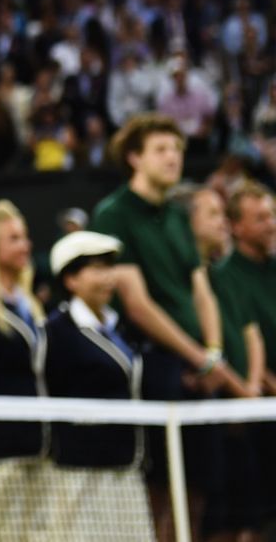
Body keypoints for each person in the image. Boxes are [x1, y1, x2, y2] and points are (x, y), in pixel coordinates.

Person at [92, 115, 247, 537]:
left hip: (200, 370)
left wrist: (212, 354)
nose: (173, 157)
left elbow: (201, 292)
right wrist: (200, 359)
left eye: (177, 149)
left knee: (198, 489)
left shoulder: (179, 217)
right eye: (161, 149)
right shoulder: (112, 214)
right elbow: (138, 306)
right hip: (155, 367)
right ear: (134, 158)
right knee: (160, 491)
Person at [43, 231, 152, 542]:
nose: (108, 278)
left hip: (126, 466)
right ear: (70, 279)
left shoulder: (119, 326)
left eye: (109, 268)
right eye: (97, 269)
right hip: (81, 473)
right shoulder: (56, 333)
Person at [181, 185, 264, 542]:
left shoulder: (223, 275)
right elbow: (204, 353)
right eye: (212, 214)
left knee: (249, 521)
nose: (223, 224)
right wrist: (241, 390)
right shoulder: (184, 283)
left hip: (247, 414)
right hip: (212, 415)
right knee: (207, 520)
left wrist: (253, 388)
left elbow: (251, 335)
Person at [0, 201, 51, 542]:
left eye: (26, 237)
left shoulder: (30, 303)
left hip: (38, 442)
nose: (25, 245)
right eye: (14, 239)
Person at [214, 183, 276, 534]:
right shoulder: (223, 277)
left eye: (272, 215)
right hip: (256, 416)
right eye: (261, 218)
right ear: (236, 226)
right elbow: (243, 343)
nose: (271, 224)